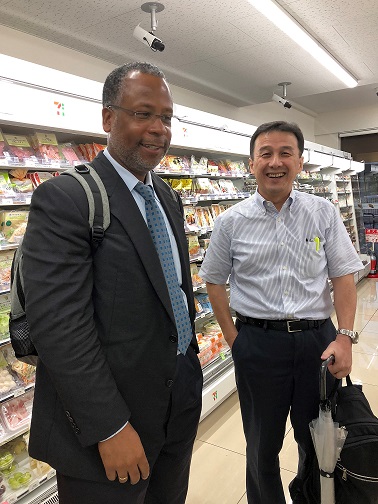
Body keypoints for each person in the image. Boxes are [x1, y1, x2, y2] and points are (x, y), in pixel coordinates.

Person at [22, 61, 203, 504]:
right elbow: (60, 328)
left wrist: (190, 371)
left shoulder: (166, 196)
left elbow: (172, 292)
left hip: (176, 403)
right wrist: (109, 426)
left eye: (166, 117)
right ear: (108, 118)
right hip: (110, 423)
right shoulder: (66, 198)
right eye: (143, 113)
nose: (159, 129)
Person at [199, 121, 363, 504]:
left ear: (300, 163)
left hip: (316, 343)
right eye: (266, 154)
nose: (276, 162)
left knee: (317, 439)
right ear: (251, 163)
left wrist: (345, 336)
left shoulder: (322, 213)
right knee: (261, 444)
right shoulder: (229, 222)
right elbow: (214, 281)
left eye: (285, 153)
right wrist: (235, 340)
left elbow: (343, 276)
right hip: (257, 343)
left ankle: (311, 497)